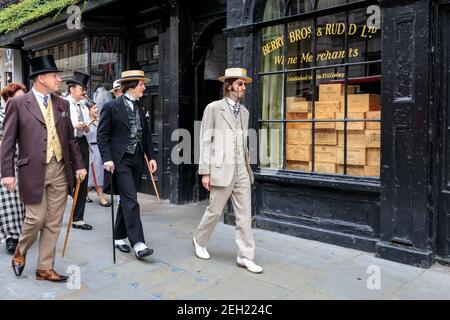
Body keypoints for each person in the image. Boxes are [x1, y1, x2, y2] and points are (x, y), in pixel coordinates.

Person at [1, 55, 86, 282]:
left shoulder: (63, 104)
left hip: (60, 169)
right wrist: (7, 173)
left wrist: (79, 165)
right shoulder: (18, 103)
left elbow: (70, 140)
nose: (59, 79)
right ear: (40, 78)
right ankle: (20, 250)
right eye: (54, 76)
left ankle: (44, 268)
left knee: (53, 221)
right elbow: (8, 141)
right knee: (36, 219)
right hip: (32, 171)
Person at [193, 68, 263, 274]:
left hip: (242, 168)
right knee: (214, 211)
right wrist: (205, 171)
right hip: (221, 168)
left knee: (244, 215)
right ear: (229, 85)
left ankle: (245, 256)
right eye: (240, 84)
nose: (243, 88)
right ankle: (199, 239)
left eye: (244, 85)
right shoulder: (213, 108)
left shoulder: (245, 112)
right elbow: (205, 140)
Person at [98, 70, 157, 260]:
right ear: (131, 85)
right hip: (120, 160)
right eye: (141, 84)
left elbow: (145, 134)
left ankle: (119, 237)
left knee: (126, 199)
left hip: (137, 159)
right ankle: (139, 243)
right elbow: (102, 135)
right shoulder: (111, 107)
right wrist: (107, 158)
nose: (144, 87)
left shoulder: (141, 107)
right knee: (131, 200)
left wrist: (151, 156)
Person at [0, 83, 26, 254]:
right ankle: (11, 236)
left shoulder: (26, 113)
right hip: (7, 163)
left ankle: (23, 230)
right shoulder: (2, 115)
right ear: (8, 99)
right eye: (19, 96)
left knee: (22, 201)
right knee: (8, 201)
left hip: (24, 162)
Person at [65, 71, 93, 231]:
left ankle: (78, 218)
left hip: (82, 143)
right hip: (69, 144)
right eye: (81, 89)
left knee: (83, 179)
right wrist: (75, 126)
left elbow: (87, 128)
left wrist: (87, 126)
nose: (84, 92)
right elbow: (62, 125)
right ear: (72, 89)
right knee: (69, 180)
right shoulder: (63, 103)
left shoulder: (83, 105)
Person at [85, 100, 110, 207]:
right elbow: (85, 134)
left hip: (101, 149)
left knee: (97, 173)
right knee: (95, 173)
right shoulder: (86, 122)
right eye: (94, 108)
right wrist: (87, 126)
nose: (97, 109)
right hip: (91, 149)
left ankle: (85, 193)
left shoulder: (101, 120)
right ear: (88, 111)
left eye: (96, 107)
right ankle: (101, 197)